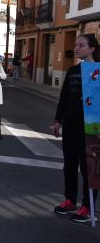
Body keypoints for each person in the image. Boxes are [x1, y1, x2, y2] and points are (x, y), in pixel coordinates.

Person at [52, 34, 99, 224]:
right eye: (76, 45)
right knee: (69, 164)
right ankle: (70, 200)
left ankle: (88, 207)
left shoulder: (98, 71)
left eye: (81, 45)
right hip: (71, 124)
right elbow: (64, 97)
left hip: (92, 126)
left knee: (90, 168)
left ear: (92, 48)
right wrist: (58, 120)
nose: (77, 48)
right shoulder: (72, 71)